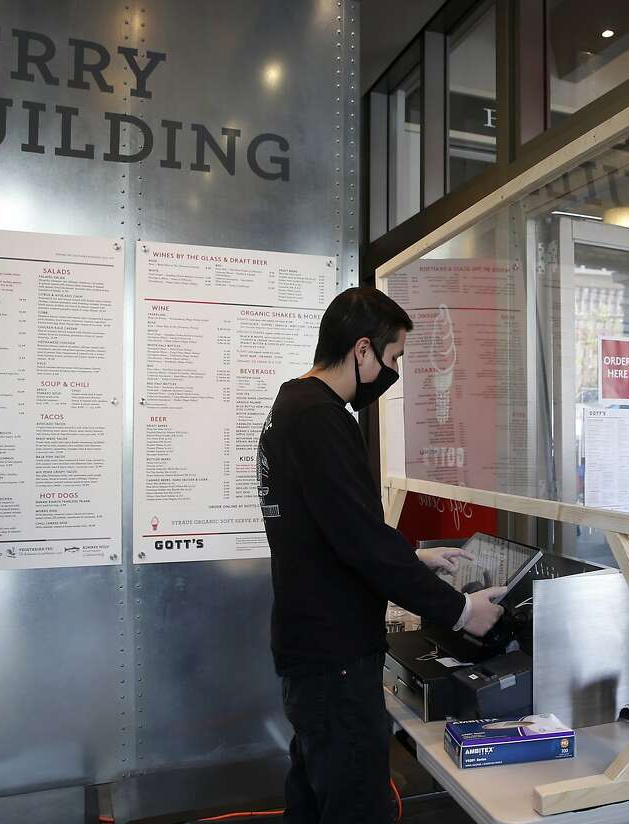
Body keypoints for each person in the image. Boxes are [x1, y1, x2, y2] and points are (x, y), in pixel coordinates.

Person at [258, 287, 505, 824]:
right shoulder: (321, 418)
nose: (394, 373)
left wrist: (415, 558)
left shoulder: (291, 405)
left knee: (313, 798)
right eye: (393, 358)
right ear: (362, 349)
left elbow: (335, 530)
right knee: (355, 807)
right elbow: (360, 542)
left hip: (311, 650)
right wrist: (463, 612)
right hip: (336, 659)